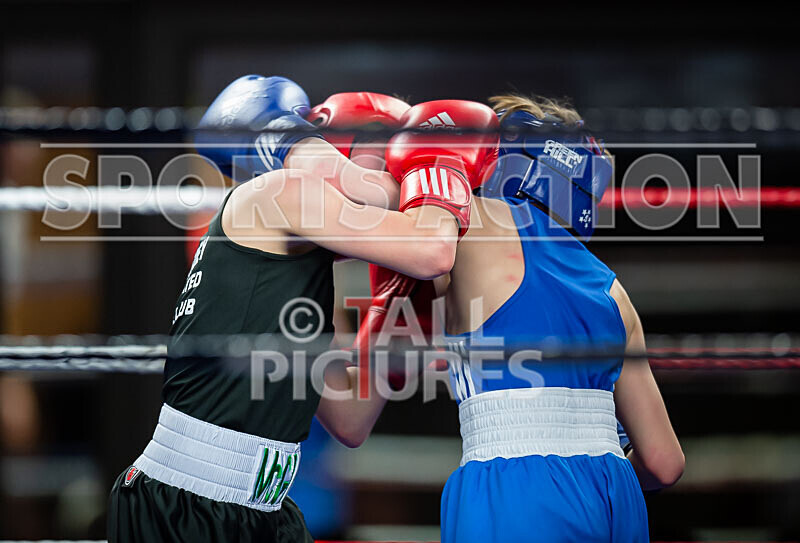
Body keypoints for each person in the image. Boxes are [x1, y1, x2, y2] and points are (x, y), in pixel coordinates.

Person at [107, 74, 499, 543]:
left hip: (265, 510)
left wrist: (397, 298)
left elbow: (351, 419)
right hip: (187, 505)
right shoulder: (278, 195)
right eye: (388, 158)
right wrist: (438, 165)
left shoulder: (296, 279)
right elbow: (427, 244)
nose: (395, 173)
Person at [436, 94, 685, 542]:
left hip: (511, 488)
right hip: (615, 494)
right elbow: (665, 463)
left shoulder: (469, 232)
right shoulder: (614, 291)